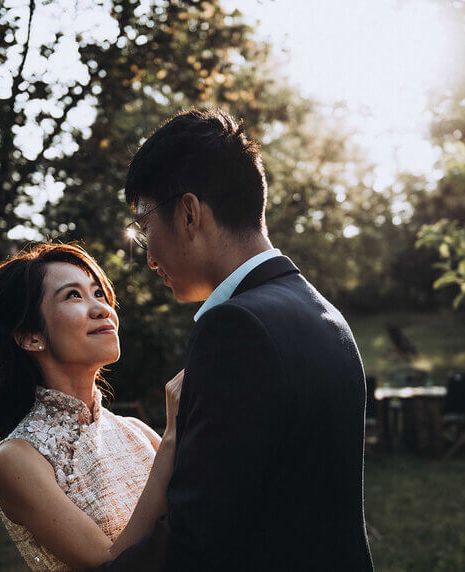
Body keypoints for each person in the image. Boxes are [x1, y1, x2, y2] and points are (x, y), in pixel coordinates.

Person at [94, 109, 374, 570]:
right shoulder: (318, 310)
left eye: (144, 227)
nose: (147, 256)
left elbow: (199, 541)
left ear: (188, 213)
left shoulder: (235, 328)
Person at [0, 243, 184, 571]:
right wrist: (173, 437)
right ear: (31, 336)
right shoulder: (18, 458)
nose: (102, 309)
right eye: (73, 295)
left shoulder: (136, 432)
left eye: (99, 294)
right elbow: (114, 564)